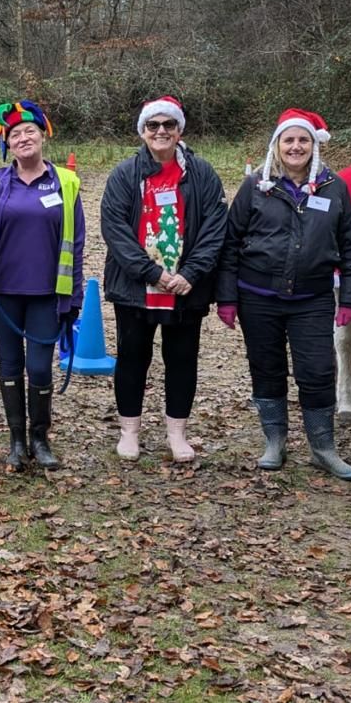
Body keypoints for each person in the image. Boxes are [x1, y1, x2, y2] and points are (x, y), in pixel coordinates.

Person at [217, 108, 351, 480]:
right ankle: (275, 441)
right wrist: (228, 298)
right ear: (277, 146)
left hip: (312, 298)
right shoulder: (256, 186)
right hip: (257, 296)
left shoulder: (334, 187)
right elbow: (231, 242)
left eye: (303, 140)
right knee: (267, 368)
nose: (296, 147)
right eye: (289, 140)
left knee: (317, 370)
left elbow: (350, 246)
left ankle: (323, 447)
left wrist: (350, 298)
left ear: (314, 146)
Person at [100, 97, 228, 462]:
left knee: (182, 358)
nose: (161, 132)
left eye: (168, 125)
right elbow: (115, 229)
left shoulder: (202, 173)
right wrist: (153, 273)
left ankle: (177, 433)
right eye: (153, 125)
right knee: (132, 357)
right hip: (136, 287)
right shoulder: (125, 174)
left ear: (179, 130)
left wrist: (191, 273)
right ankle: (129, 431)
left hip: (187, 287)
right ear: (142, 131)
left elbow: (216, 228)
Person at [0, 100, 84, 472]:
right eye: (15, 134)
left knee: (39, 368)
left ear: (42, 137)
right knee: (9, 367)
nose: (23, 138)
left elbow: (77, 242)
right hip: (3, 293)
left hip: (48, 295)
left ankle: (40, 437)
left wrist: (75, 297)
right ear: (7, 143)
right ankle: (16, 440)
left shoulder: (66, 183)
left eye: (29, 132)